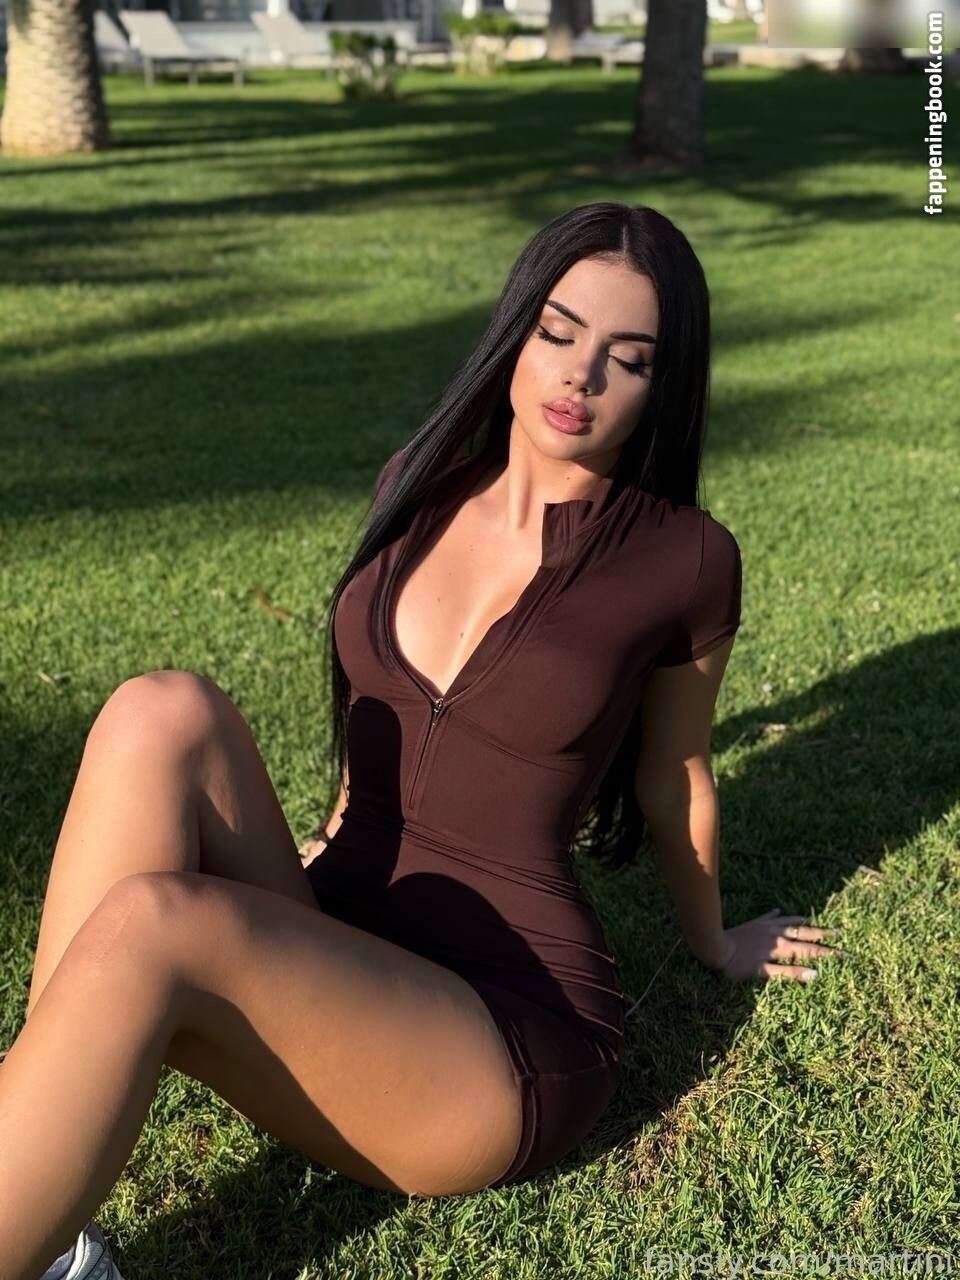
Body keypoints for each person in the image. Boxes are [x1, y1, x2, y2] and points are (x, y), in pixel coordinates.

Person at [1, 202, 843, 1280]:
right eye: (558, 331)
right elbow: (383, 733)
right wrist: (329, 836)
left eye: (627, 359)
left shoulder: (683, 558)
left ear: (660, 385)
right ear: (516, 328)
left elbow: (675, 775)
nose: (580, 375)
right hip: (346, 930)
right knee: (159, 708)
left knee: (153, 923)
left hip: (501, 1026)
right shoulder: (417, 481)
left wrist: (716, 940)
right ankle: (43, 1199)